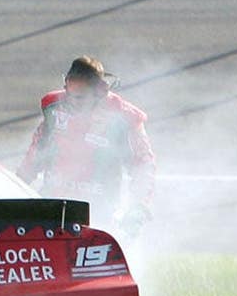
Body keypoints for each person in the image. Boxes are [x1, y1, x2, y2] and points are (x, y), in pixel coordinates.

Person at [17, 56, 156, 234]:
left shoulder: (124, 119)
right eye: (69, 93)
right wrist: (16, 189)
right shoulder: (54, 109)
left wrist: (138, 206)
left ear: (100, 91)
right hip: (52, 207)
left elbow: (143, 164)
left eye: (80, 97)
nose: (72, 101)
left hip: (99, 213)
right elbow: (34, 156)